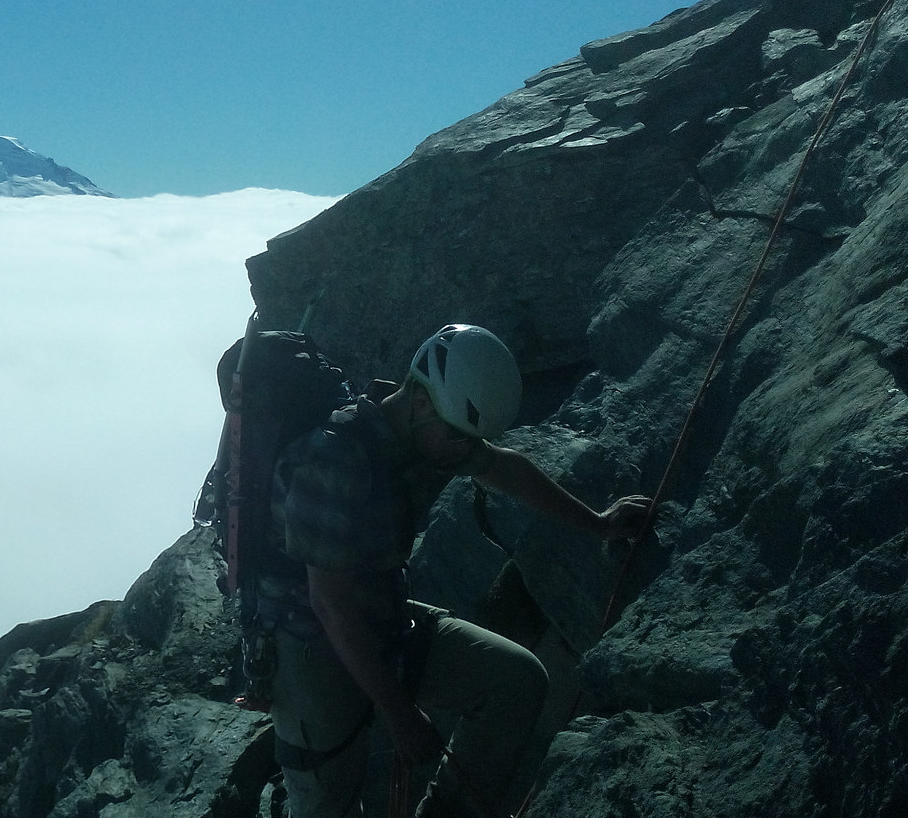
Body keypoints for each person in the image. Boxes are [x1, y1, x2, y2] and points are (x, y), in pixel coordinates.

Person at [265, 324, 651, 818]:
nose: (463, 451)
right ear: (421, 401)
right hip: (307, 644)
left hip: (378, 612)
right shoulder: (333, 462)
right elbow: (329, 606)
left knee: (514, 682)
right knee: (328, 804)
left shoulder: (427, 435)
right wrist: (400, 712)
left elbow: (504, 468)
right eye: (458, 437)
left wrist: (597, 525)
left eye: (470, 441)